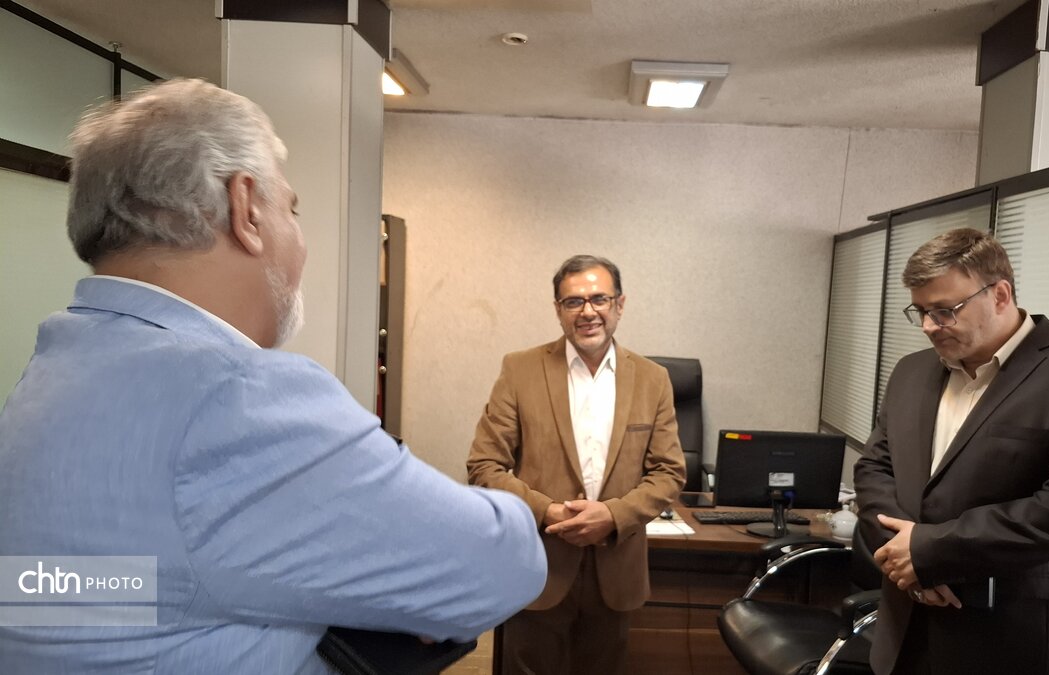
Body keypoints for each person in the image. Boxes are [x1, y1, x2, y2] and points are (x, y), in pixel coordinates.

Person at [0, 79, 547, 674]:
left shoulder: (55, 371)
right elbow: (503, 567)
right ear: (247, 209)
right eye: (292, 208)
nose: (300, 238)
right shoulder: (232, 396)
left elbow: (114, 590)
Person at [854, 228, 1049, 675]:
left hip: (1011, 640)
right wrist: (900, 556)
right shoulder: (910, 371)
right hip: (903, 631)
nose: (928, 326)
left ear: (1000, 294)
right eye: (921, 311)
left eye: (944, 311)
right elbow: (875, 467)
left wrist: (929, 553)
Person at [466, 254, 686, 675]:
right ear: (558, 310)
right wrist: (548, 511)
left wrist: (613, 515)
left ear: (619, 304)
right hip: (538, 564)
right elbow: (484, 465)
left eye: (599, 299)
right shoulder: (520, 369)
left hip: (616, 569)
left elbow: (669, 472)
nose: (588, 311)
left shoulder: (653, 378)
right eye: (574, 301)